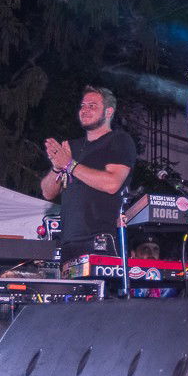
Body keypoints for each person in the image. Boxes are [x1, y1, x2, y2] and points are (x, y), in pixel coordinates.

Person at [40, 86, 137, 260]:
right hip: (68, 242)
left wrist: (69, 165)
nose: (84, 110)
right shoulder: (72, 147)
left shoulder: (119, 140)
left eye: (92, 106)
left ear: (108, 112)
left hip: (101, 240)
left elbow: (112, 183)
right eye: (82, 106)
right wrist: (57, 167)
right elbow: (47, 192)